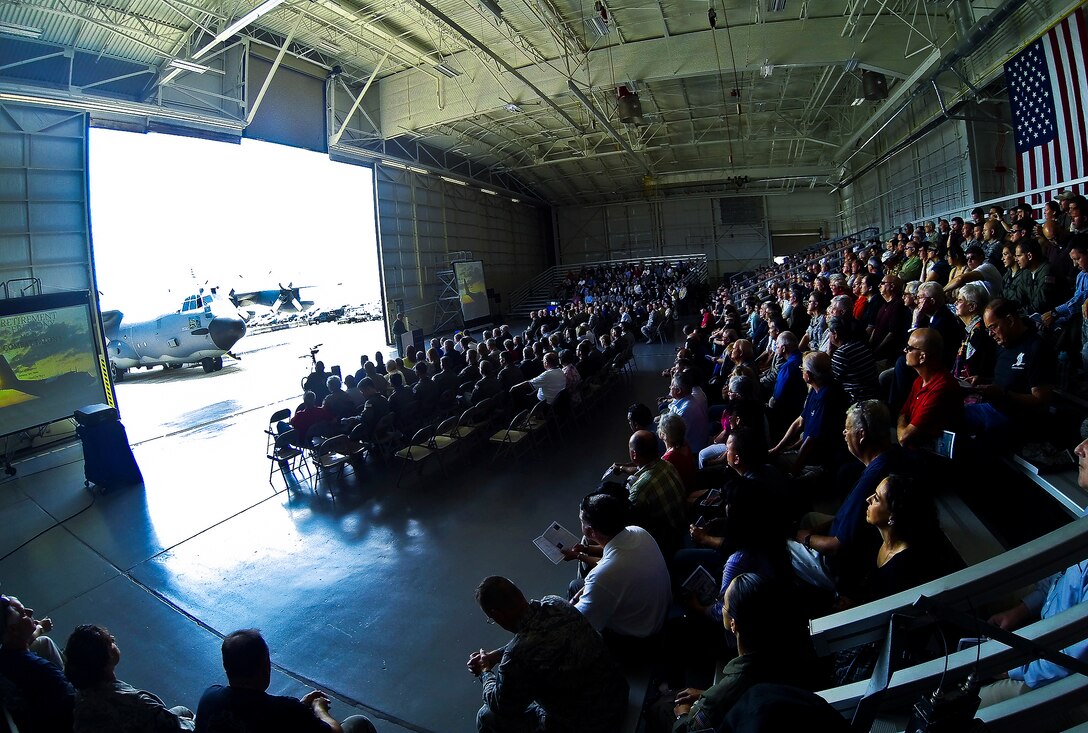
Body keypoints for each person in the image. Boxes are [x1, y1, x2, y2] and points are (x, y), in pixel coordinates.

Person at [980, 434, 1088, 707]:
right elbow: (1062, 573)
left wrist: (1011, 667)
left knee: (972, 706)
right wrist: (1022, 610)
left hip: (1057, 679)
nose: (1078, 449)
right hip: (1046, 632)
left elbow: (1068, 661)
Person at [467, 576, 628, 733]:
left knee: (485, 716)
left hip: (589, 724)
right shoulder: (556, 602)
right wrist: (496, 655)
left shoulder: (516, 656)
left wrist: (485, 671)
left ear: (497, 615)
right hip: (617, 696)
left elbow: (502, 705)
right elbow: (540, 636)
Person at [666, 574, 823, 733]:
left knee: (660, 709)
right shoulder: (791, 651)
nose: (721, 607)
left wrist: (683, 715)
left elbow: (690, 730)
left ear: (733, 624)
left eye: (724, 605)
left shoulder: (722, 695)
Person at [195, 629, 376, 733]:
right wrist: (318, 709)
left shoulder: (209, 698)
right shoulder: (284, 711)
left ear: (226, 667)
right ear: (266, 666)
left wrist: (300, 708)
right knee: (358, 723)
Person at [563, 493, 671, 646]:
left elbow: (576, 622)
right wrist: (583, 552)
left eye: (581, 521)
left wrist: (570, 603)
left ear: (589, 531)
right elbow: (614, 554)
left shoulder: (602, 577)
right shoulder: (638, 532)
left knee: (573, 625)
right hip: (659, 613)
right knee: (576, 585)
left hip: (640, 638)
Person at [64, 624, 195, 732]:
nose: (114, 639)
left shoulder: (82, 696)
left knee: (181, 711)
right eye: (110, 642)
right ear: (107, 658)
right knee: (191, 714)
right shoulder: (136, 701)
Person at [0, 594, 76, 733]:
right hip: (58, 723)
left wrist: (39, 628)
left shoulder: (5, 649)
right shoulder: (44, 671)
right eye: (23, 614)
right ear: (13, 630)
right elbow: (76, 705)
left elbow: (22, 641)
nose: (30, 611)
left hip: (25, 719)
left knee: (44, 642)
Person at [897, 328, 961, 450]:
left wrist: (902, 425)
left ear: (922, 357)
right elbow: (903, 412)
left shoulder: (941, 388)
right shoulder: (919, 381)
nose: (905, 350)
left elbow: (904, 438)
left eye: (909, 348)